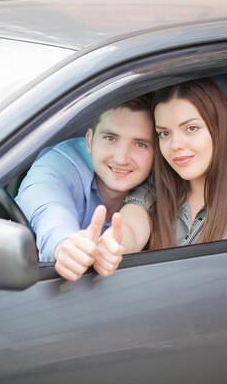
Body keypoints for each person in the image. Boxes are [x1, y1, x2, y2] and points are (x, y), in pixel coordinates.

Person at [99, 78, 227, 254]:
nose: (175, 144)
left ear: (219, 129)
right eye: (164, 133)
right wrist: (111, 245)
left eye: (191, 128)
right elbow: (130, 227)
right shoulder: (156, 188)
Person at [15, 95, 154, 281]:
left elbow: (133, 229)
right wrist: (65, 244)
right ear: (89, 141)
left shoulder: (156, 187)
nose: (122, 158)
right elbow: (47, 202)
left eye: (140, 144)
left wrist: (111, 249)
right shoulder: (59, 164)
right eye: (111, 138)